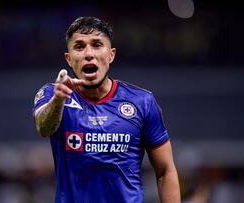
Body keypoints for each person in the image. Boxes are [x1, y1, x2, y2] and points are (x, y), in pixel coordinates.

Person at [32, 16, 180, 203]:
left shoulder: (142, 101)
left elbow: (165, 171)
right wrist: (58, 100)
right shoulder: (53, 94)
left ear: (111, 55)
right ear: (68, 59)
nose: (88, 54)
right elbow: (44, 127)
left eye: (97, 44)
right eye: (79, 46)